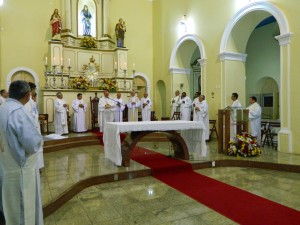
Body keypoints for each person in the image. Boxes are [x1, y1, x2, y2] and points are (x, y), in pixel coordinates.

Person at [0, 80, 43, 225]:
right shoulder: (18, 112)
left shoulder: (3, 108)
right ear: (27, 95)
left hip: (7, 164)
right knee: (24, 207)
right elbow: (33, 144)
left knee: (11, 205)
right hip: (21, 168)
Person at [24, 82, 44, 171]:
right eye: (34, 89)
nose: (34, 91)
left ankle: (38, 165)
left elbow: (33, 113)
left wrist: (37, 116)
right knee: (36, 147)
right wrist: (37, 116)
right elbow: (28, 115)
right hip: (33, 127)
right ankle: (36, 167)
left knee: (39, 146)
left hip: (36, 125)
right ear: (31, 89)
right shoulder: (28, 101)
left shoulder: (31, 100)